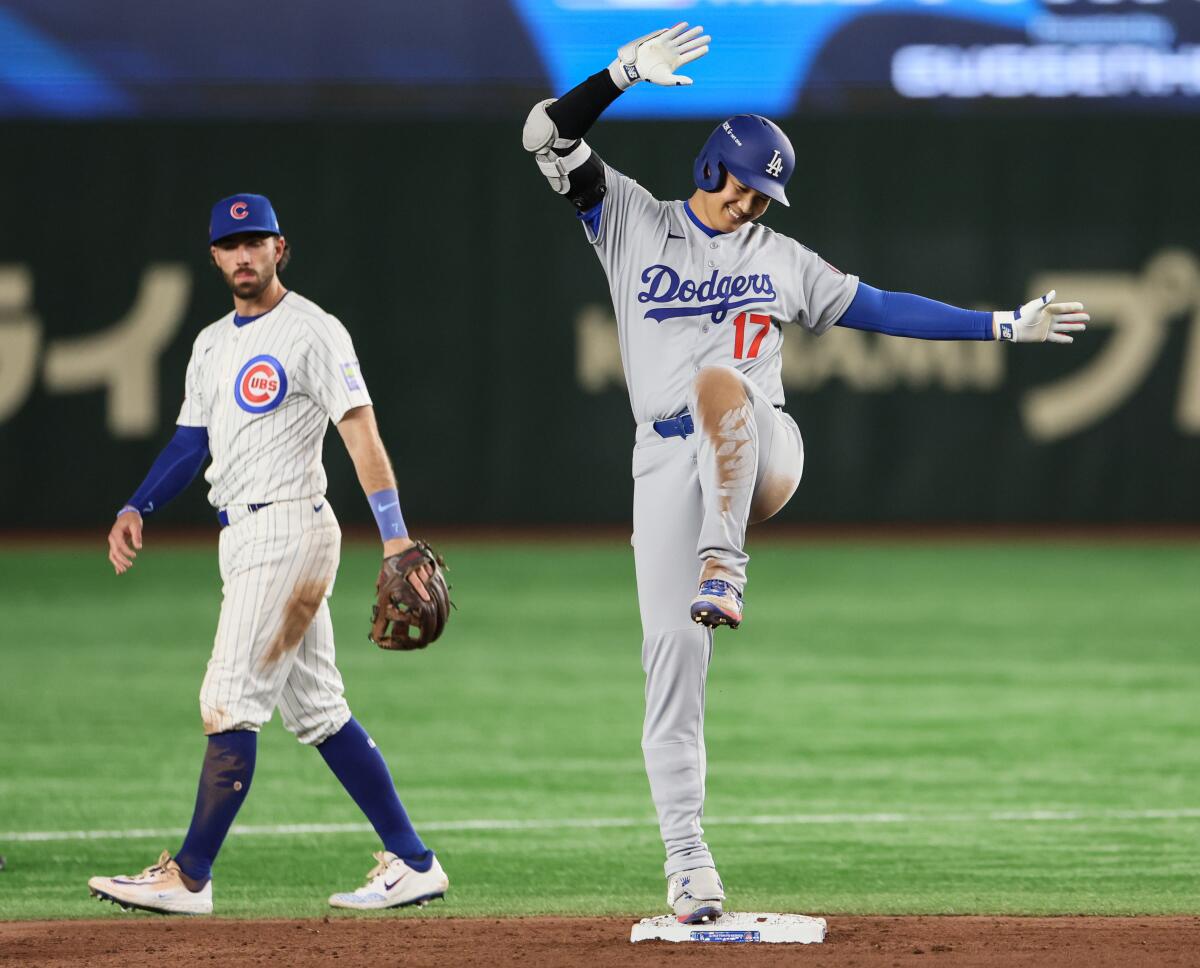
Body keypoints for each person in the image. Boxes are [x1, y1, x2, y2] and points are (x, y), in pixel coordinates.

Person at [522, 24, 1089, 924]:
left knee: (723, 381)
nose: (756, 205)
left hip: (764, 449)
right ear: (713, 168)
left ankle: (726, 562)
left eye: (768, 194)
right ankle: (688, 863)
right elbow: (544, 136)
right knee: (670, 660)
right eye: (748, 185)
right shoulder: (632, 220)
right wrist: (621, 72)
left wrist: (1000, 325)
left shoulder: (781, 261)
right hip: (664, 460)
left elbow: (882, 306)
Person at [88, 193, 449, 915]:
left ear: (281, 248)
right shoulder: (212, 344)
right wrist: (137, 505)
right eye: (231, 244)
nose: (244, 255)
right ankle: (414, 863)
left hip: (288, 529)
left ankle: (190, 876)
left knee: (227, 702)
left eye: (257, 241)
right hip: (243, 533)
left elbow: (361, 434)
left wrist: (397, 535)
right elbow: (191, 442)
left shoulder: (313, 331)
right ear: (215, 255)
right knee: (318, 712)